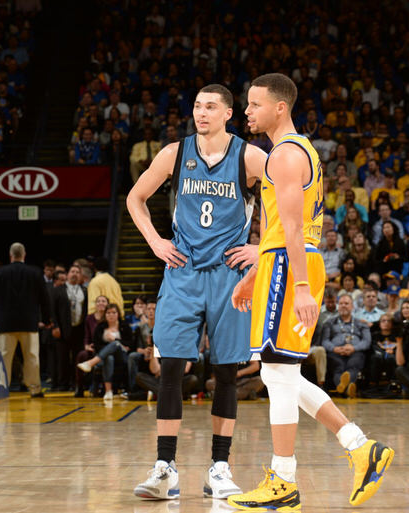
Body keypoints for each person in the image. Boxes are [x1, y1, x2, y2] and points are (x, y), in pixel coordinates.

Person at [230, 74, 393, 511]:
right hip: (279, 262)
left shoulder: (284, 154)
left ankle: (284, 480)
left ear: (279, 107)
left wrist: (298, 285)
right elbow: (281, 229)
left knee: (277, 374)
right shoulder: (295, 150)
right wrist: (254, 274)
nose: (247, 111)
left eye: (254, 104)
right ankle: (361, 448)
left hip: (290, 264)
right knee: (278, 372)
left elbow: (296, 229)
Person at [128, 83, 267, 500]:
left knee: (225, 372)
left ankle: (220, 468)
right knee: (170, 367)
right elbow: (136, 198)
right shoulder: (174, 153)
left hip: (229, 274)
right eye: (196, 106)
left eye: (210, 107)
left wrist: (262, 247)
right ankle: (164, 468)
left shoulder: (251, 156)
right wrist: (156, 242)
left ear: (229, 113)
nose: (201, 113)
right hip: (183, 271)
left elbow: (299, 199)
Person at [0, 242, 51, 398]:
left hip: (5, 323)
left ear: (11, 255)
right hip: (29, 323)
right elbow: (45, 298)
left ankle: (3, 388)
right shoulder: (35, 272)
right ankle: (35, 389)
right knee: (31, 357)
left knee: (5, 357)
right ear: (24, 255)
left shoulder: (0, 273)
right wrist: (47, 319)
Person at [77, 303, 135, 400]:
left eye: (113, 312)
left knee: (115, 344)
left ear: (118, 314)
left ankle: (90, 363)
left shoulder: (124, 326)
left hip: (122, 356)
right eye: (108, 313)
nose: (111, 315)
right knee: (109, 357)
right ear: (105, 314)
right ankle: (108, 391)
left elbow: (131, 344)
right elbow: (97, 345)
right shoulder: (100, 327)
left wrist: (116, 340)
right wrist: (110, 347)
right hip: (105, 357)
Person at [322, 294, 371, 397]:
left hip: (355, 352)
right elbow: (325, 341)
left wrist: (354, 348)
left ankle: (342, 387)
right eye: (341, 303)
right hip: (335, 352)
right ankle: (348, 388)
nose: (343, 305)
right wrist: (334, 348)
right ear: (337, 306)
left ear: (352, 306)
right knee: (338, 367)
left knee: (353, 365)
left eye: (346, 303)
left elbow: (367, 341)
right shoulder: (329, 323)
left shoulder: (361, 323)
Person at [49, 264, 86, 392]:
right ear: (67, 274)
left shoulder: (84, 290)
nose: (74, 274)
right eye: (72, 271)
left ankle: (75, 383)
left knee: (77, 357)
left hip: (79, 329)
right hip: (63, 329)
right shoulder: (58, 290)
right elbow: (52, 310)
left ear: (81, 276)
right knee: (62, 358)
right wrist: (55, 326)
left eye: (77, 272)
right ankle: (62, 384)